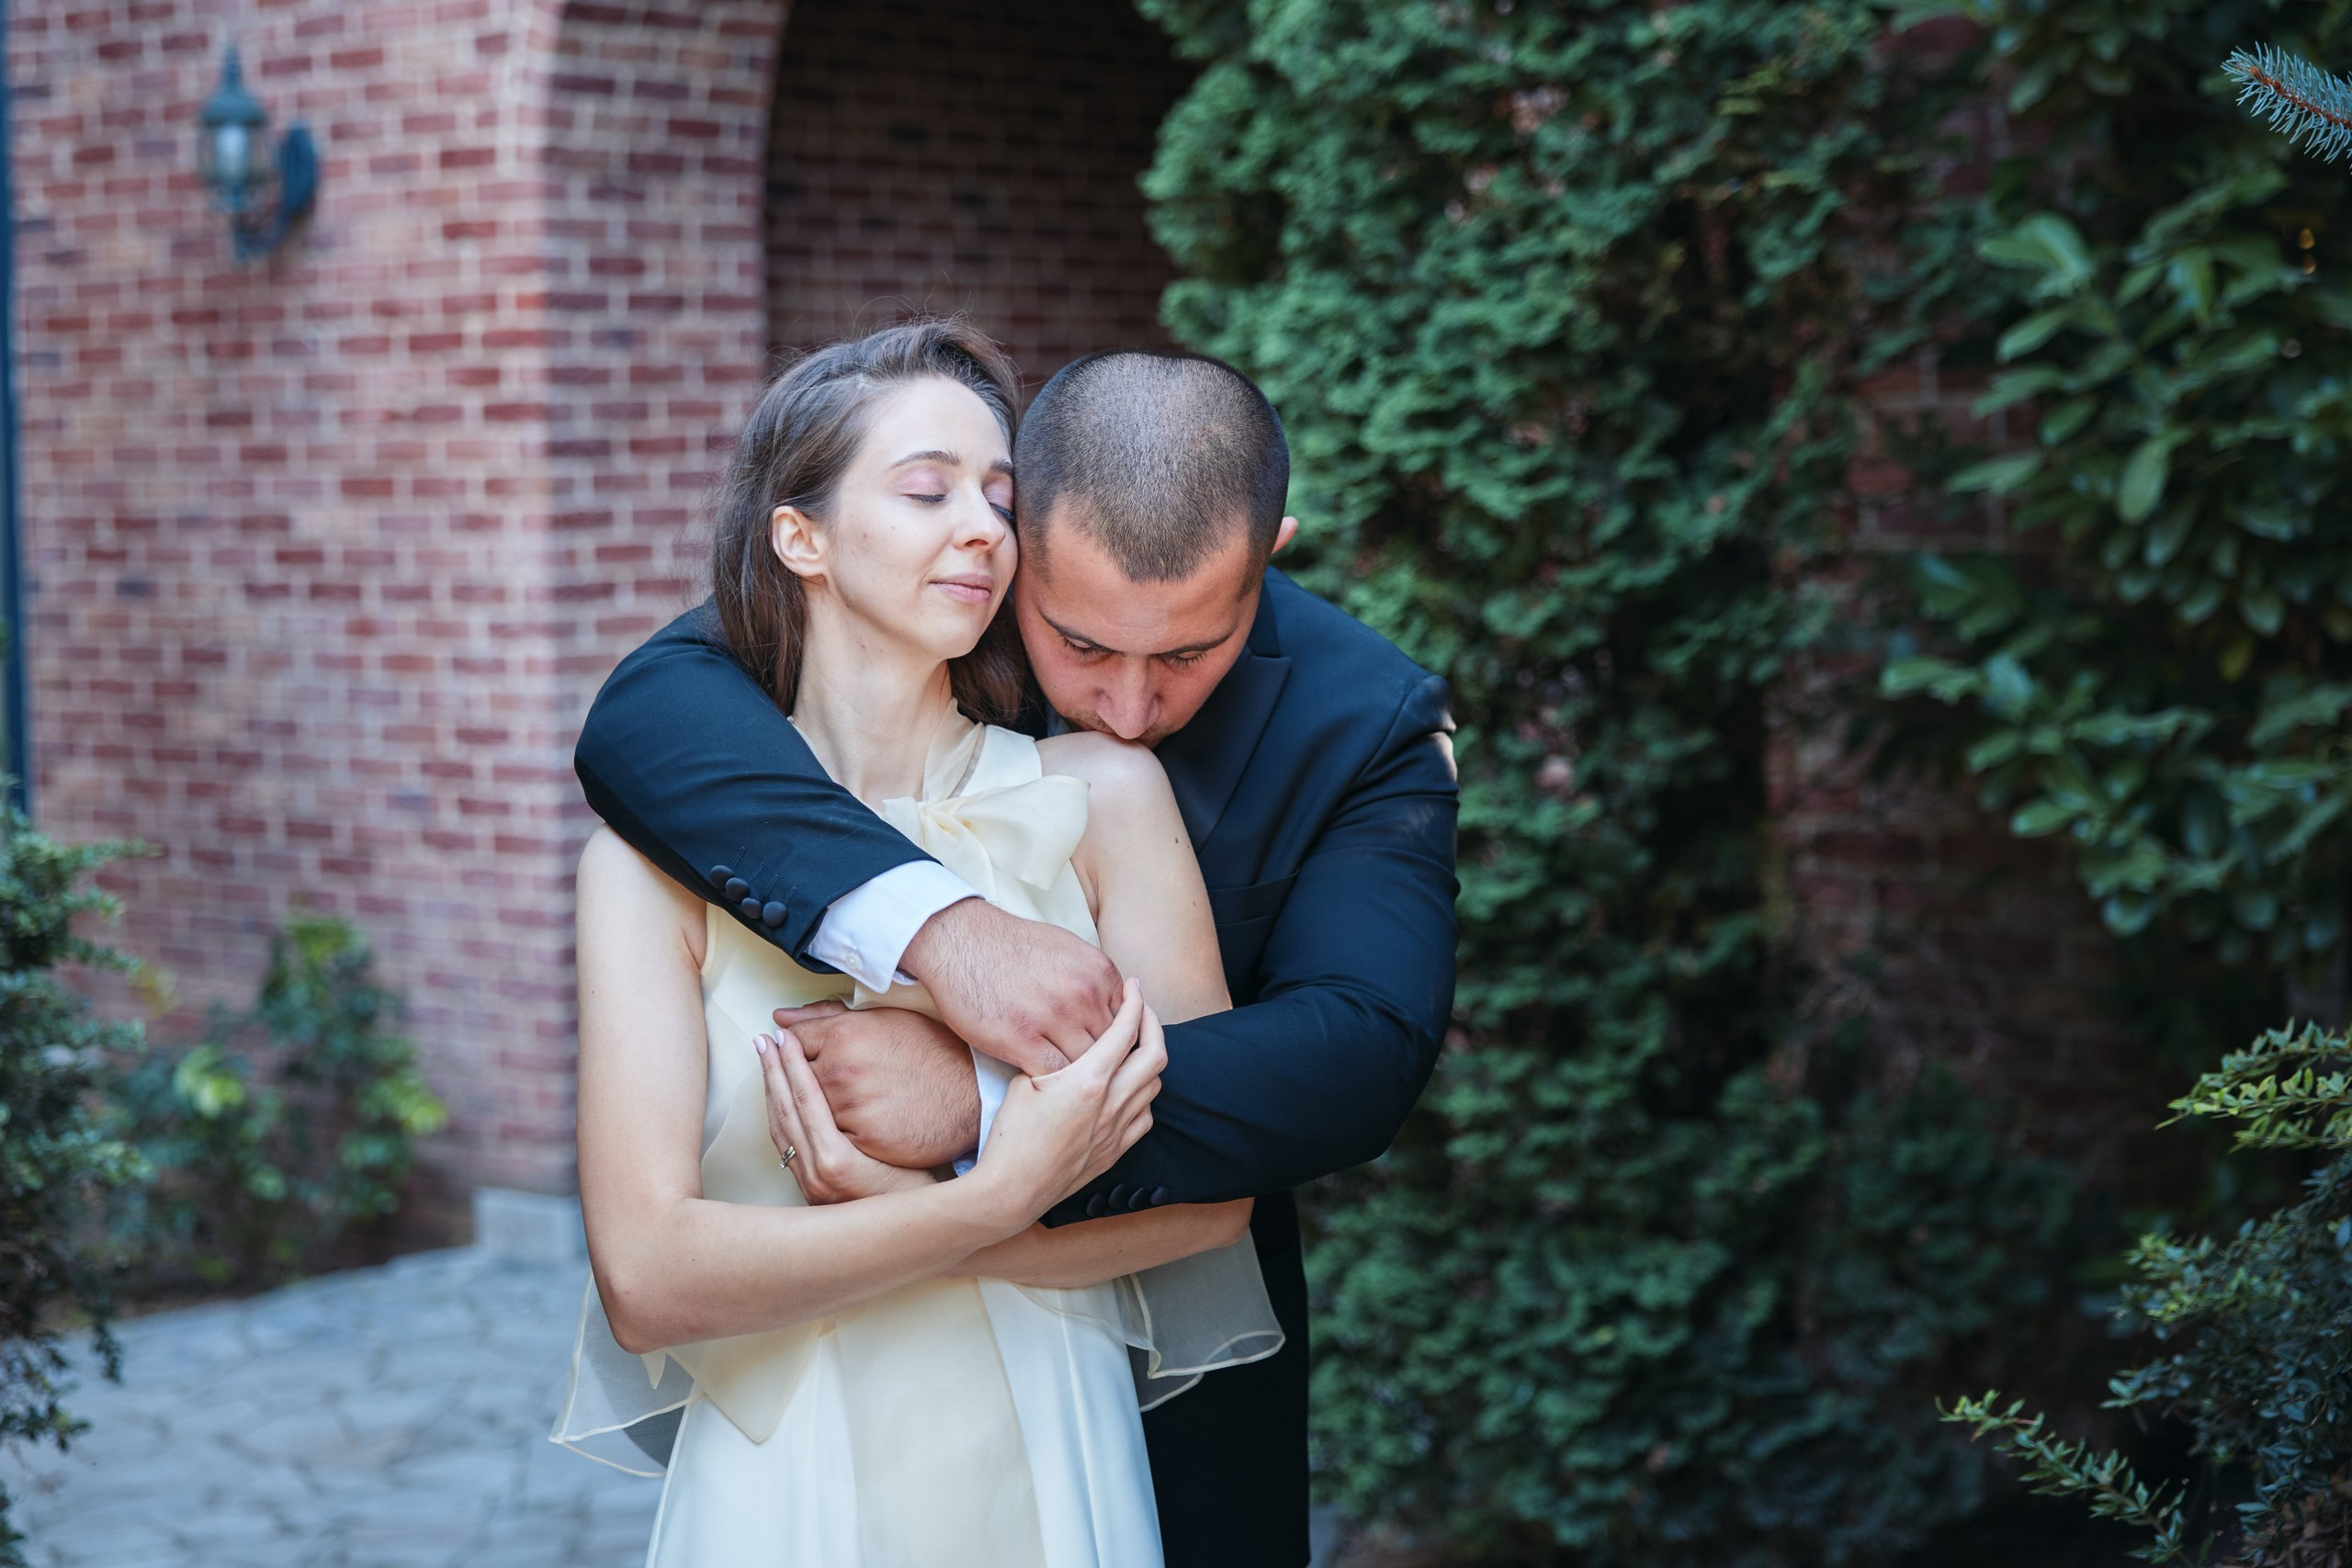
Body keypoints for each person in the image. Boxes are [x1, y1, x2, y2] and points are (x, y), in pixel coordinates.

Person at [575, 337, 1461, 1567]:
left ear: (1273, 554)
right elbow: (639, 720)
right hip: (813, 1434)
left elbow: (1360, 1054)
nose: (1129, 706)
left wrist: (978, 1103)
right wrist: (944, 930)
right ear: (1024, 540)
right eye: (1085, 646)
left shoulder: (1359, 722)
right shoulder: (906, 627)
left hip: (1153, 1387)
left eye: (1189, 654)